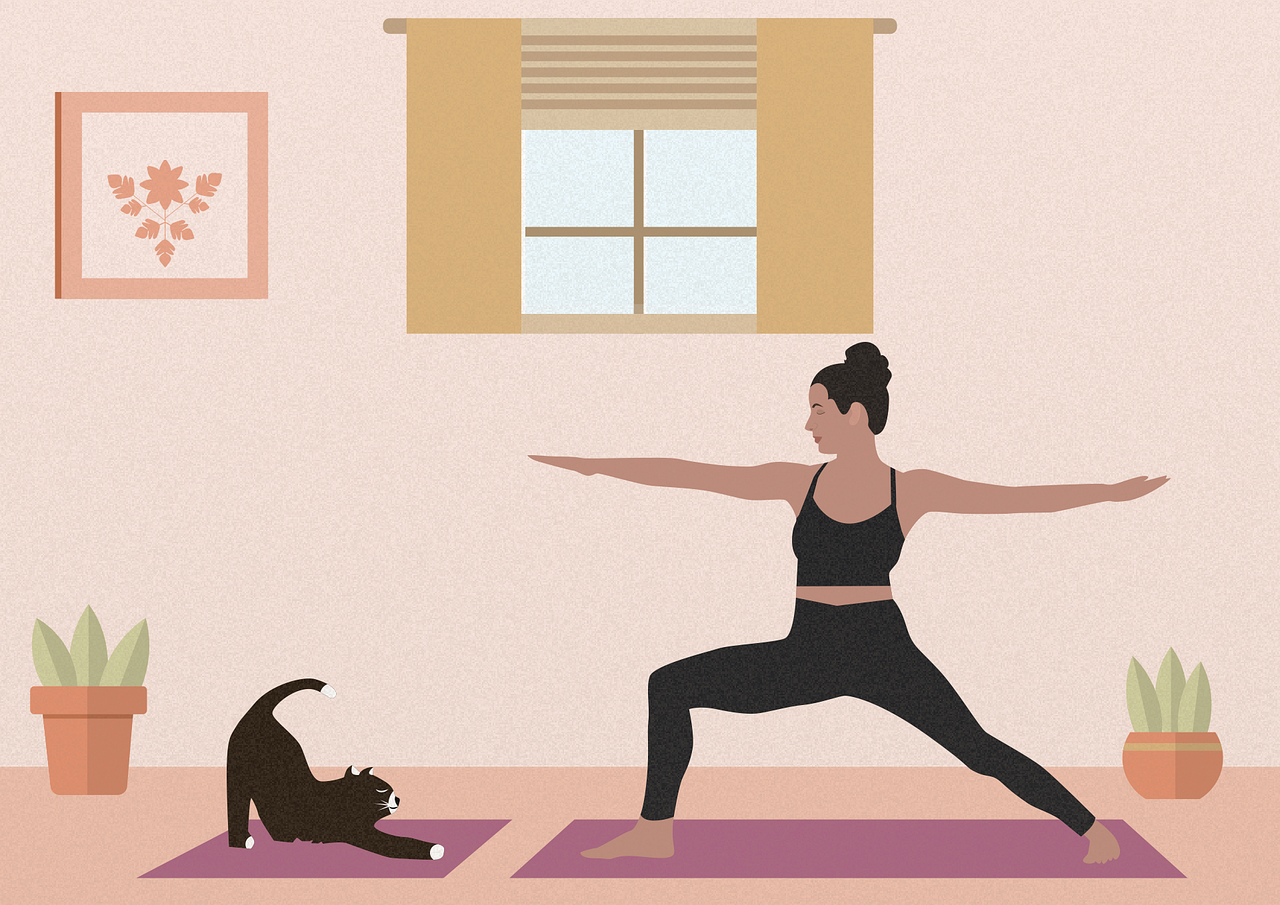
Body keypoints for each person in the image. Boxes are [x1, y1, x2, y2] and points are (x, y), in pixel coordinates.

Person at [531, 342, 1166, 865]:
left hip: (881, 649)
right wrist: (594, 465)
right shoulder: (797, 482)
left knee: (976, 748)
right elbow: (697, 474)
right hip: (807, 652)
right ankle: (654, 831)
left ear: (854, 413)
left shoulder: (910, 489)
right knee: (669, 686)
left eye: (817, 410)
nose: (808, 424)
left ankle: (1091, 829)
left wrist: (1110, 493)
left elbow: (1015, 499)